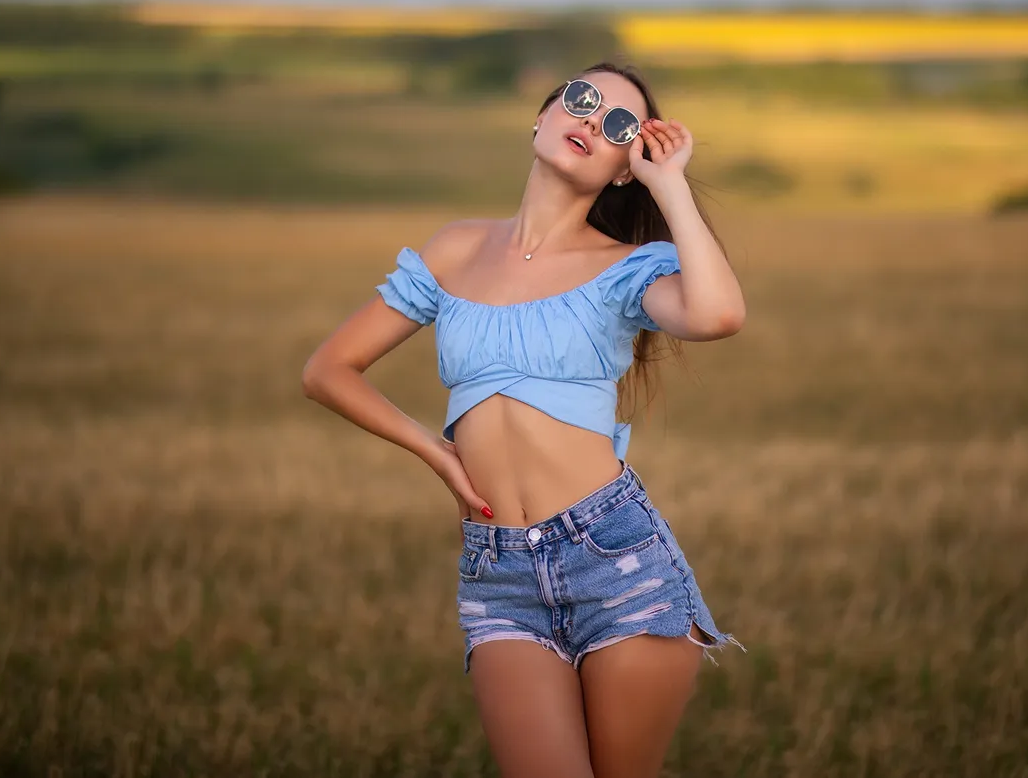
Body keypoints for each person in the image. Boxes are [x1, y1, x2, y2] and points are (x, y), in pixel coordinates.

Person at [302, 62, 747, 778]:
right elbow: (327, 369)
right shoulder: (456, 249)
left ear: (625, 168)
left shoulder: (627, 267)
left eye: (620, 126)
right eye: (581, 100)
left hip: (615, 558)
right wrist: (436, 452)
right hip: (499, 569)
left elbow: (719, 314)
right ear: (540, 117)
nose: (592, 121)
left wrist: (669, 183)